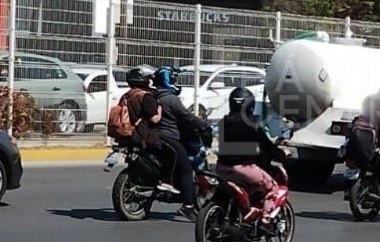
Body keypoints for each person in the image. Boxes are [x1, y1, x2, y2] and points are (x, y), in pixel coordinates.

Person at [216, 87, 287, 221]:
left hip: (221, 168)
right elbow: (267, 146)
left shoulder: (223, 122)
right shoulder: (252, 124)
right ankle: (266, 218)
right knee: (273, 188)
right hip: (244, 169)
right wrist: (281, 155)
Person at [152, 66, 212, 219]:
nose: (175, 82)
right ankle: (188, 206)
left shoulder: (153, 96)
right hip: (169, 137)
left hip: (152, 137)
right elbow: (187, 117)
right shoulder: (171, 99)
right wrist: (204, 125)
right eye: (173, 79)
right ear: (167, 80)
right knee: (186, 169)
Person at [120, 66, 172, 193]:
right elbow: (155, 119)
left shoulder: (126, 96)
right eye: (149, 79)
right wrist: (159, 109)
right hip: (145, 136)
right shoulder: (146, 97)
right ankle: (166, 182)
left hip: (128, 135)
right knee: (172, 154)